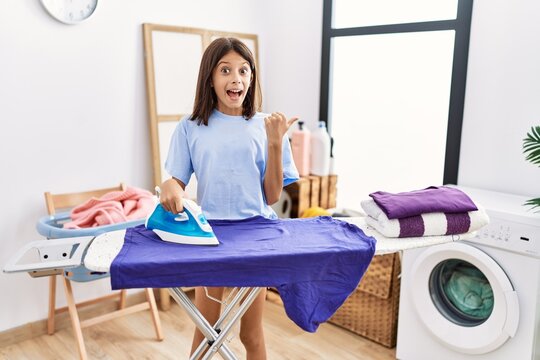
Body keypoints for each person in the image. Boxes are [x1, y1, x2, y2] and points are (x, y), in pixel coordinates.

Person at [159, 37, 299, 359]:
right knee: (207, 330)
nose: (236, 78)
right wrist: (169, 186)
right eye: (225, 70)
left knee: (251, 334)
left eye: (243, 71)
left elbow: (272, 195)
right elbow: (177, 181)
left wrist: (276, 143)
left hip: (255, 234)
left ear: (251, 78)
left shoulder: (266, 126)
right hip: (211, 237)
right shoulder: (191, 127)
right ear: (210, 77)